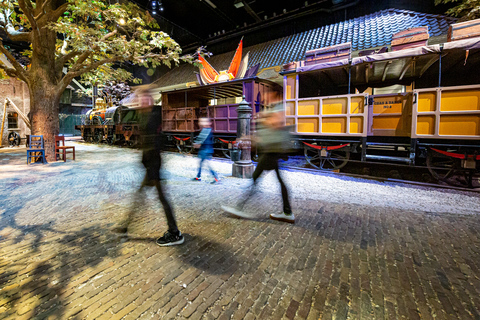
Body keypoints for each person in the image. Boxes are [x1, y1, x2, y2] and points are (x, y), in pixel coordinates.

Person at [113, 91, 184, 246]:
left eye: (145, 99)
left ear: (150, 100)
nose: (143, 101)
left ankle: (174, 232)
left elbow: (156, 141)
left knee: (160, 198)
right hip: (149, 164)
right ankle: (125, 227)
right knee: (142, 198)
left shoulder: (155, 115)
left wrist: (151, 166)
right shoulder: (144, 116)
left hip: (154, 165)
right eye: (141, 99)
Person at [222, 106, 294, 223]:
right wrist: (249, 138)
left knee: (256, 179)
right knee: (277, 181)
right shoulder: (272, 118)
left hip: (270, 153)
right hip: (271, 153)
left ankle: (239, 208)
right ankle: (287, 212)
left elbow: (271, 131)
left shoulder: (275, 116)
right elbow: (262, 138)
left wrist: (264, 120)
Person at [192, 117, 220, 184]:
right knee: (201, 164)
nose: (200, 123)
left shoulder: (205, 130)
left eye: (202, 121)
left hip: (205, 150)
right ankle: (198, 177)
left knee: (207, 165)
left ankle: (216, 177)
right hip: (207, 150)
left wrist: (195, 143)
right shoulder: (208, 129)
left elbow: (200, 140)